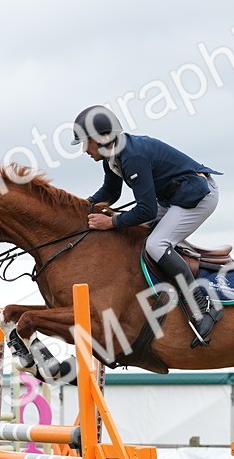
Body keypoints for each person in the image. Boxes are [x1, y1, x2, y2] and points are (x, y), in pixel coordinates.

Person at [71, 104, 224, 344]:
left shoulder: (133, 157)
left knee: (156, 245)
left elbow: (146, 210)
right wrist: (81, 208)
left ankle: (202, 309)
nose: (84, 150)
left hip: (198, 197)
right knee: (140, 236)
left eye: (85, 142)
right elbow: (111, 192)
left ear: (102, 138)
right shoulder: (113, 156)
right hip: (173, 198)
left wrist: (110, 222)